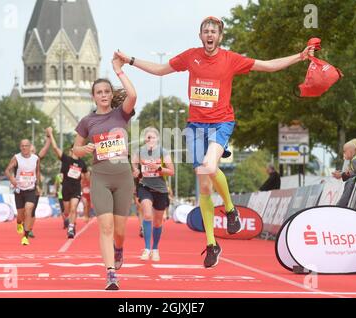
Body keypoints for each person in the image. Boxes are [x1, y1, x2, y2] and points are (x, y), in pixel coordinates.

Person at [115, 16, 315, 268]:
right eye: (205, 31)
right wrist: (130, 60)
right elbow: (160, 69)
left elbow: (267, 65)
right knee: (205, 186)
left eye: (214, 31)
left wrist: (300, 56)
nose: (209, 34)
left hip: (221, 123)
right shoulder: (191, 56)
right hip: (195, 126)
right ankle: (212, 244)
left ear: (220, 37)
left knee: (209, 166)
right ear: (201, 36)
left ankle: (231, 210)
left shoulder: (231, 59)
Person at [72, 53, 137, 290]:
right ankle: (111, 274)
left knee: (119, 231)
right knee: (106, 226)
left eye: (106, 92)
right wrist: (84, 148)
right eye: (98, 92)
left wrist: (119, 69)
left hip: (123, 178)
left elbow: (133, 95)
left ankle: (119, 249)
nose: (103, 95)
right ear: (93, 96)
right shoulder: (87, 122)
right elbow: (74, 150)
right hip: (100, 177)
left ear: (111, 95)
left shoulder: (121, 114)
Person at [131, 127, 174, 262]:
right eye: (147, 137)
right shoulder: (140, 151)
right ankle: (147, 249)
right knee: (148, 215)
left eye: (153, 137)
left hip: (160, 189)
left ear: (157, 139)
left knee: (157, 222)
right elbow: (133, 162)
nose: (150, 140)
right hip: (145, 187)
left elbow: (171, 171)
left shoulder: (163, 152)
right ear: (145, 139)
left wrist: (158, 168)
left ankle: (155, 249)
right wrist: (135, 171)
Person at [47, 126, 88, 239]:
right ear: (72, 150)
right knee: (67, 211)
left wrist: (85, 181)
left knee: (74, 208)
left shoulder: (82, 163)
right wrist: (50, 134)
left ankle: (71, 228)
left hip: (76, 189)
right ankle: (69, 221)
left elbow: (86, 175)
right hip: (65, 189)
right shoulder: (66, 159)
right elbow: (55, 148)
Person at [4, 139, 41, 245]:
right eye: (22, 146)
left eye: (26, 146)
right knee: (20, 214)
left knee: (29, 210)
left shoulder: (36, 159)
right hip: (19, 189)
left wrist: (38, 185)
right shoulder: (16, 158)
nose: (24, 148)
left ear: (30, 147)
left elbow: (38, 172)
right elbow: (7, 170)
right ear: (20, 147)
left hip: (31, 189)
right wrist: (12, 179)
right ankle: (19, 222)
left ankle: (25, 236)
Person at [27, 135, 51, 238]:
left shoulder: (36, 159)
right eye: (29, 150)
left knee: (32, 210)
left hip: (35, 188)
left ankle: (30, 230)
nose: (31, 153)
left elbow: (44, 150)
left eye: (33, 151)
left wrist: (49, 139)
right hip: (23, 188)